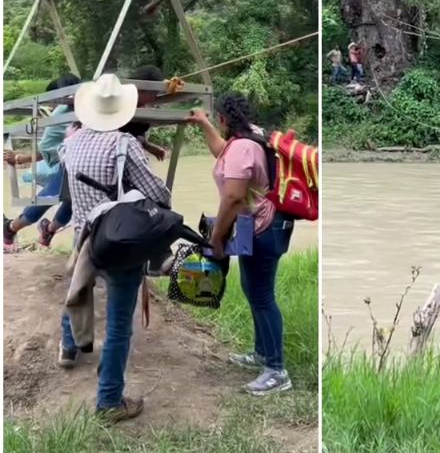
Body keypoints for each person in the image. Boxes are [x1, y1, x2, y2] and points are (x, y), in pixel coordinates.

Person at [59, 73, 172, 422]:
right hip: (119, 243)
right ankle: (109, 400)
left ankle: (68, 347)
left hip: (84, 240)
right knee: (120, 324)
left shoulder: (72, 143)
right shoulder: (124, 145)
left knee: (78, 290)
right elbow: (160, 195)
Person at [187, 93, 295, 396]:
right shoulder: (251, 137)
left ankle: (277, 370)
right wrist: (203, 124)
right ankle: (262, 353)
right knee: (253, 291)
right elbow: (224, 154)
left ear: (224, 119)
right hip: (259, 224)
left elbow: (233, 198)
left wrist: (217, 238)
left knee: (262, 296)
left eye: (215, 120)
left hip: (263, 226)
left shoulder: (243, 147)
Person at [3, 73, 80, 250]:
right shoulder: (76, 111)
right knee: (62, 198)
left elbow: (46, 147)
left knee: (57, 199)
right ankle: (23, 229)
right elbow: (49, 147)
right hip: (74, 163)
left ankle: (13, 228)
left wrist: (21, 157)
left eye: (51, 102)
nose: (51, 107)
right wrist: (21, 157)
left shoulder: (63, 110)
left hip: (74, 163)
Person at [120, 65, 169, 161]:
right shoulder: (122, 106)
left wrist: (147, 146)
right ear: (140, 90)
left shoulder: (139, 107)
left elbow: (133, 134)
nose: (154, 98)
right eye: (153, 93)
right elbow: (121, 134)